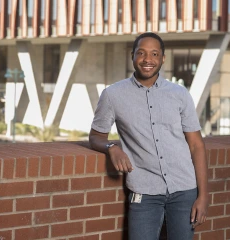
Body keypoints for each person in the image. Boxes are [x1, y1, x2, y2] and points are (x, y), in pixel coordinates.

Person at [89, 32, 208, 240]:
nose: (148, 59)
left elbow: (196, 145)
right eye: (141, 53)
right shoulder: (113, 95)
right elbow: (96, 136)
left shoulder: (180, 94)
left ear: (162, 58)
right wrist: (112, 148)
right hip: (144, 192)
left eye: (154, 54)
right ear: (132, 56)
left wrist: (203, 195)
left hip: (184, 190)